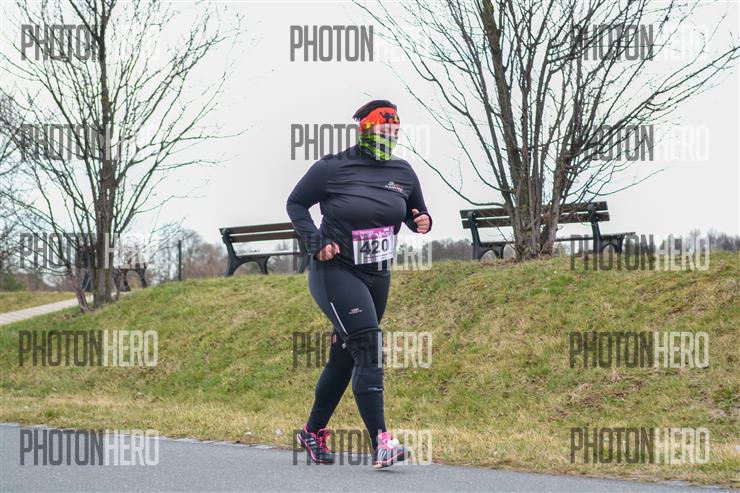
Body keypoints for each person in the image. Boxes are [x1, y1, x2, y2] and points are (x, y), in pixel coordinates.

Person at [286, 100, 432, 469]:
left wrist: (422, 220)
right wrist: (315, 242)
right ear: (365, 130)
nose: (390, 137)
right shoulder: (332, 168)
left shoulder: (403, 172)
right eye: (383, 131)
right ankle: (382, 441)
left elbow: (414, 211)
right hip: (335, 271)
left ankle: (311, 431)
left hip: (377, 275)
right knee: (368, 345)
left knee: (345, 357)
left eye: (395, 132)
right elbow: (296, 204)